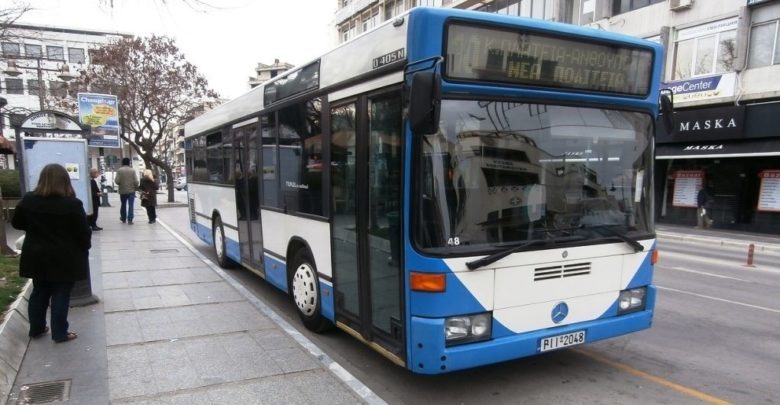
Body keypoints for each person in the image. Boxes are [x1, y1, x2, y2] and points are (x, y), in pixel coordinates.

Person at [12, 164, 92, 343]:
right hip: (64, 256)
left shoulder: (29, 200)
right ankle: (60, 332)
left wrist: (35, 228)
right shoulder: (71, 204)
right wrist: (84, 247)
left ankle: (37, 328)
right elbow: (82, 232)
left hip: (37, 254)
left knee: (39, 291)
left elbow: (17, 223)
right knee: (61, 293)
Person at [115, 157, 139, 224]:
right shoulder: (132, 170)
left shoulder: (119, 170)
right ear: (129, 163)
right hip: (131, 191)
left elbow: (117, 181)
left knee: (123, 204)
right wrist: (136, 186)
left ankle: (123, 218)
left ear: (122, 162)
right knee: (131, 205)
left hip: (122, 191)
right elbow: (136, 181)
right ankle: (130, 219)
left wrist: (121, 183)